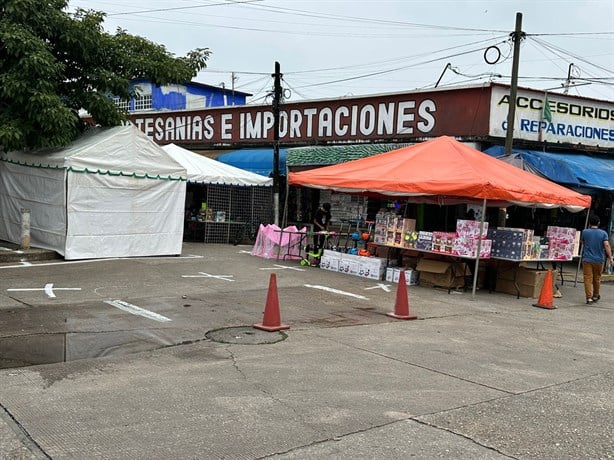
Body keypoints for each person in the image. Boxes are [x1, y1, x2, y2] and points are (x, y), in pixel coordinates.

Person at [581, 215, 614, 304]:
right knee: (597, 278)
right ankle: (595, 295)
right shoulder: (603, 233)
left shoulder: (585, 232)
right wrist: (611, 258)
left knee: (587, 278)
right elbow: (606, 245)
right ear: (598, 223)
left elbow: (583, 242)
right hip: (599, 260)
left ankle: (589, 298)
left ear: (589, 223)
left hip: (587, 259)